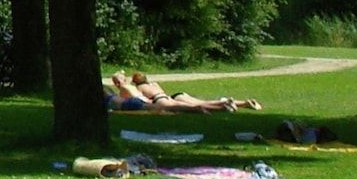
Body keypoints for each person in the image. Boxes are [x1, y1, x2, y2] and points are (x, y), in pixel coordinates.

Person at [107, 71, 261, 113]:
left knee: (182, 107)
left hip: (159, 100)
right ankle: (232, 103)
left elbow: (137, 97)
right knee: (201, 102)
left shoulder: (135, 88)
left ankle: (223, 107)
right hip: (167, 95)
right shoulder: (154, 83)